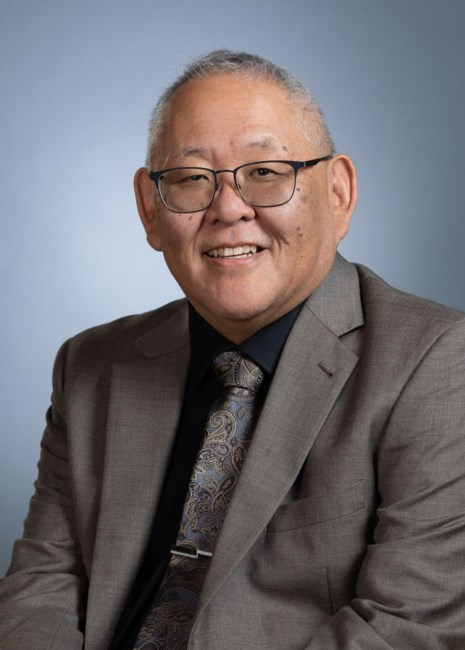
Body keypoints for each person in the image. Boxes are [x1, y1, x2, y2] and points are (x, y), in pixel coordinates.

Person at [1, 49, 464, 650]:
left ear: (338, 193)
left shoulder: (436, 362)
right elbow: (41, 587)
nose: (227, 209)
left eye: (266, 171)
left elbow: (406, 627)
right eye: (192, 178)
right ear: (149, 208)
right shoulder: (91, 367)